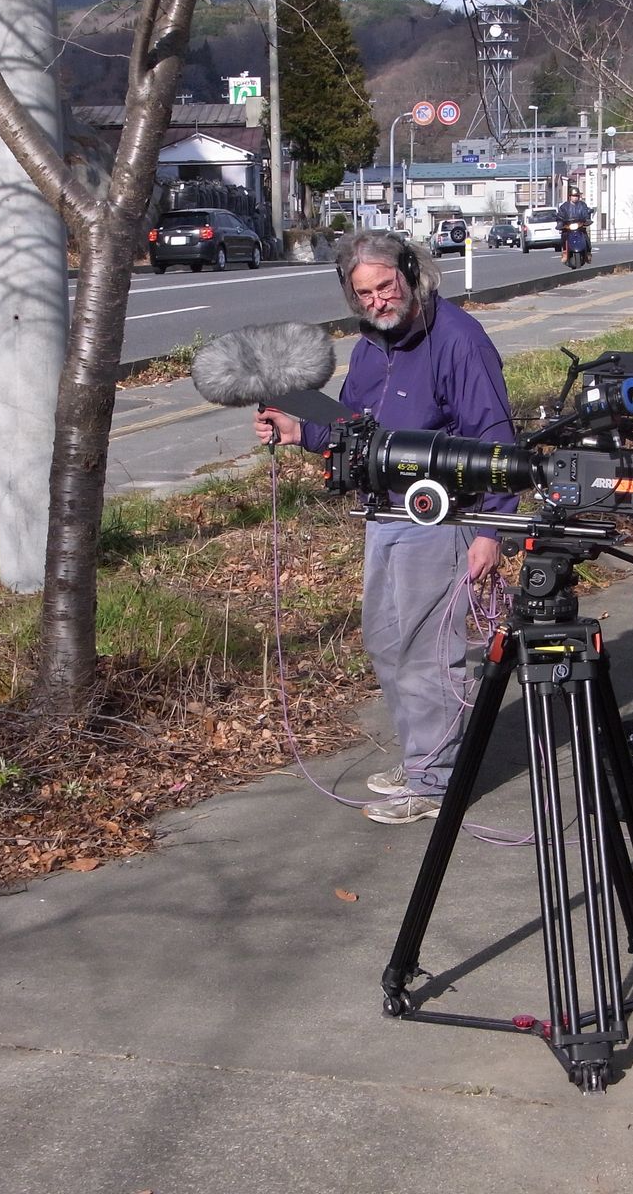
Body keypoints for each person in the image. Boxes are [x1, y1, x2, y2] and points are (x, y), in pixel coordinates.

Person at [253, 231, 518, 825]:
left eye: (386, 286)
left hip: (442, 516)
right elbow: (354, 430)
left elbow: (496, 439)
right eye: (364, 294)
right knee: (386, 642)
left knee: (428, 652)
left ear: (411, 275)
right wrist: (300, 431)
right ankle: (422, 756)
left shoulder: (459, 340)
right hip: (383, 514)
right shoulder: (371, 344)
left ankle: (435, 781)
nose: (377, 301)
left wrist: (491, 529)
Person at [557, 187, 592, 264]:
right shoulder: (564, 206)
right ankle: (564, 252)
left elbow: (586, 214)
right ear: (570, 196)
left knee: (585, 236)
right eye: (573, 196)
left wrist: (586, 220)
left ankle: (588, 252)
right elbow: (560, 216)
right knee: (564, 236)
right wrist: (560, 223)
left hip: (580, 226)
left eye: (576, 196)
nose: (575, 197)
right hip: (568, 227)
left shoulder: (582, 205)